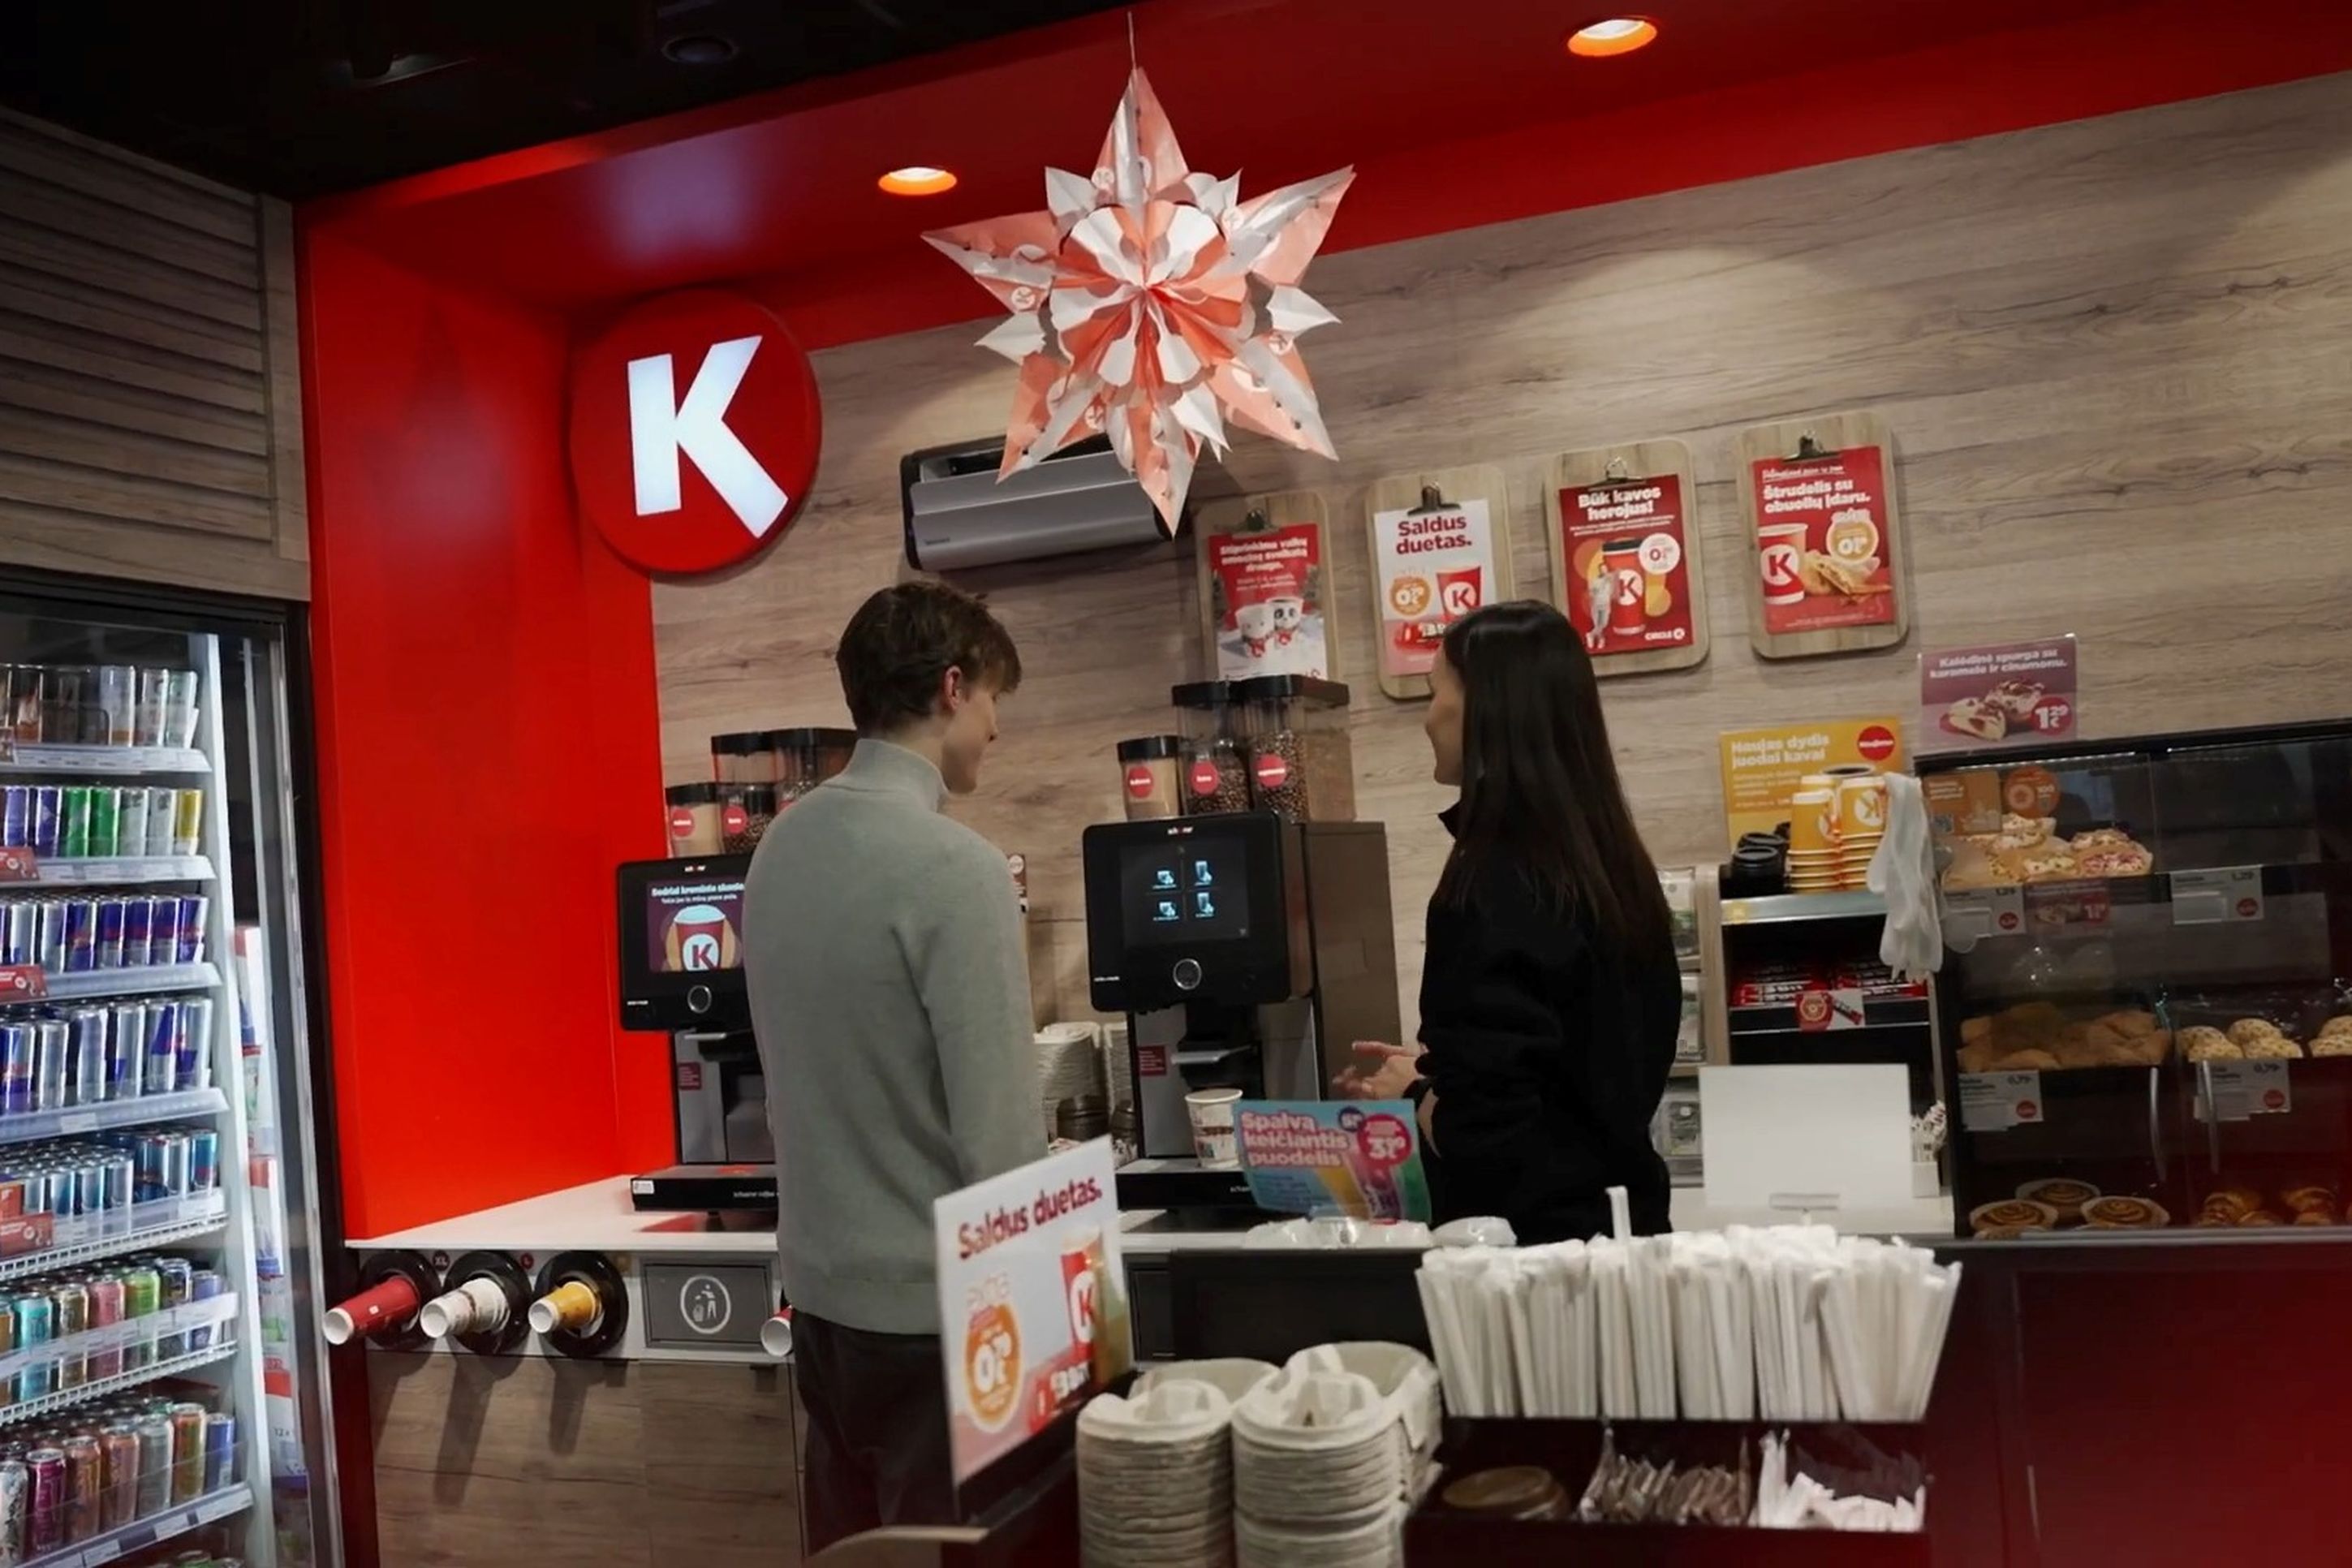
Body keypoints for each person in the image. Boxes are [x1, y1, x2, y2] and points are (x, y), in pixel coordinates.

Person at [743, 580, 1042, 1550]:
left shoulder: (777, 849)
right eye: (994, 699)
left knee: (854, 1556)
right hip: (938, 1323)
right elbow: (999, 1145)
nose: (995, 730)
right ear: (952, 689)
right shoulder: (959, 870)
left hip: (823, 1314)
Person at [1334, 600, 1680, 1242]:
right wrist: (1450, 1070)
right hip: (1629, 1228)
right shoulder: (1611, 865)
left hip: (1535, 1268)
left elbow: (1490, 1136)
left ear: (1486, 710)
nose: (1427, 718)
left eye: (1434, 691)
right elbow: (1569, 1075)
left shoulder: (1491, 882)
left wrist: (1412, 1094)